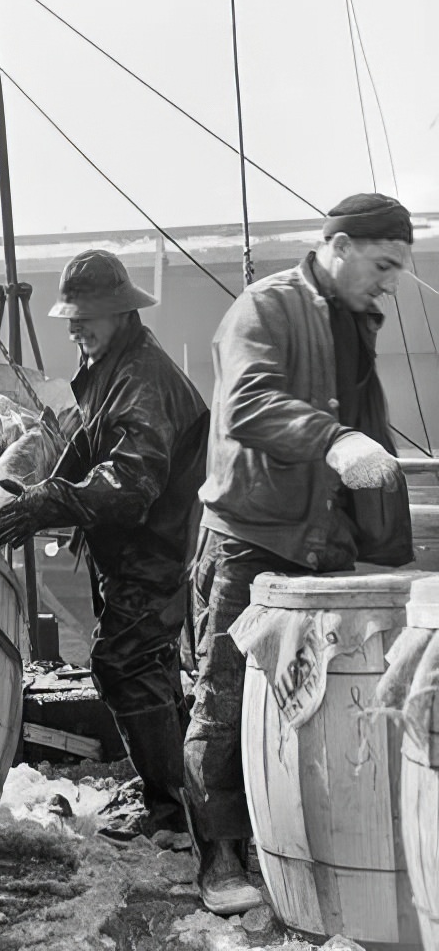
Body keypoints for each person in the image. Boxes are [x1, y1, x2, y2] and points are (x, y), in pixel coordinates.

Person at [184, 192, 414, 915]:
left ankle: (295, 840)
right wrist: (335, 440)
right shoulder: (265, 306)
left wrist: (384, 540)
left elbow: (362, 426)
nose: (390, 283)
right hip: (250, 543)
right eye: (382, 264)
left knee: (305, 703)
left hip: (321, 547)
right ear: (338, 245)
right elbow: (247, 403)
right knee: (225, 706)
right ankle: (220, 857)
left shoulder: (355, 319)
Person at [0, 249, 209, 842]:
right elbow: (92, 444)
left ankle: (173, 814)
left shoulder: (140, 379)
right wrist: (42, 491)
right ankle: (177, 793)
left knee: (123, 664)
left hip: (153, 547)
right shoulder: (113, 364)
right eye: (71, 317)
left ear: (120, 312)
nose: (74, 327)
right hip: (135, 549)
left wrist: (53, 500)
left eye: (87, 316)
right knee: (152, 665)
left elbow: (132, 482)